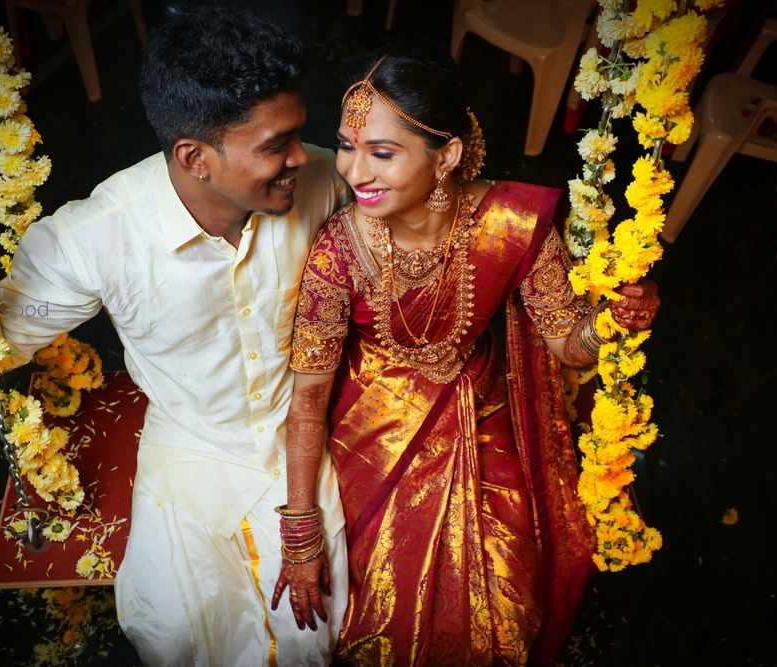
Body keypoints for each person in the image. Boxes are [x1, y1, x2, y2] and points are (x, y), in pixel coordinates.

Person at [0, 7, 352, 666]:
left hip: (303, 440)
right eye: (276, 145)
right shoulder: (97, 238)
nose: (300, 158)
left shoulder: (324, 182)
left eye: (298, 135)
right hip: (189, 446)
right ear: (194, 157)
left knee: (315, 633)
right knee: (171, 631)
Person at [270, 51, 660, 666]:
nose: (353, 171)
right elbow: (308, 400)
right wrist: (299, 535)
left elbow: (566, 343)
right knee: (375, 609)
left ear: (446, 155)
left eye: (382, 152)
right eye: (345, 147)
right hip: (367, 432)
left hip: (480, 410)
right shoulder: (337, 253)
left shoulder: (510, 225)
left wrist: (614, 321)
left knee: (508, 591)